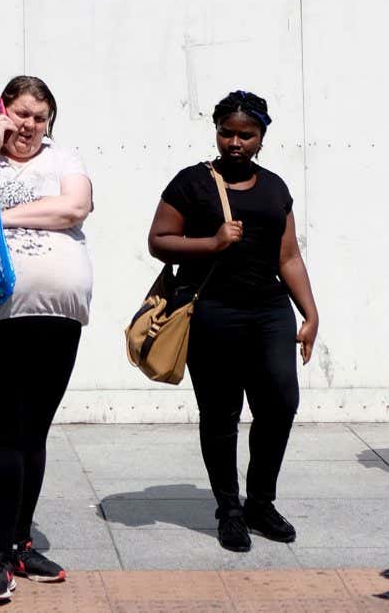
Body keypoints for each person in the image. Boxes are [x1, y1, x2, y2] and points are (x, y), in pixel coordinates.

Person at [0, 76, 92, 605]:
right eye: (20, 113)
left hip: (55, 318)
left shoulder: (64, 158)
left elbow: (73, 209)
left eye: (39, 117)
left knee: (33, 435)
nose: (28, 125)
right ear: (1, 111)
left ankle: (21, 543)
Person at [147, 90, 319, 553]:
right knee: (221, 414)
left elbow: (288, 256)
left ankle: (260, 502)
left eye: (247, 135)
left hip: (269, 311)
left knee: (280, 404)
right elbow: (159, 241)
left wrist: (310, 312)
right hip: (212, 312)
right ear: (217, 132)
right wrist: (213, 242)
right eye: (227, 133)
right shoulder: (191, 183)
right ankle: (229, 510)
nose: (236, 143)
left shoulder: (275, 188)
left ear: (262, 136)